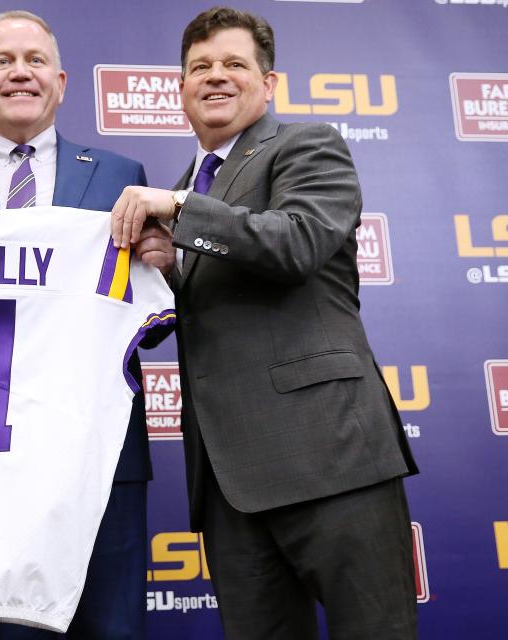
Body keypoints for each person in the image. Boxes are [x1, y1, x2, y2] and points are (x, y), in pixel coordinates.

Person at [110, 6, 419, 639]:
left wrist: (180, 211)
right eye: (200, 67)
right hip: (229, 486)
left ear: (269, 83)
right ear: (181, 90)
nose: (214, 77)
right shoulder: (187, 189)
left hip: (330, 459)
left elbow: (297, 243)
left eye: (233, 64)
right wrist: (167, 268)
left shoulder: (307, 143)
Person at [0, 11, 151, 640]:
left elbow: (146, 320)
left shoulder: (125, 179)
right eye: (3, 61)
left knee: (110, 626)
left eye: (36, 60)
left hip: (98, 452)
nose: (21, 73)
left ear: (62, 81)